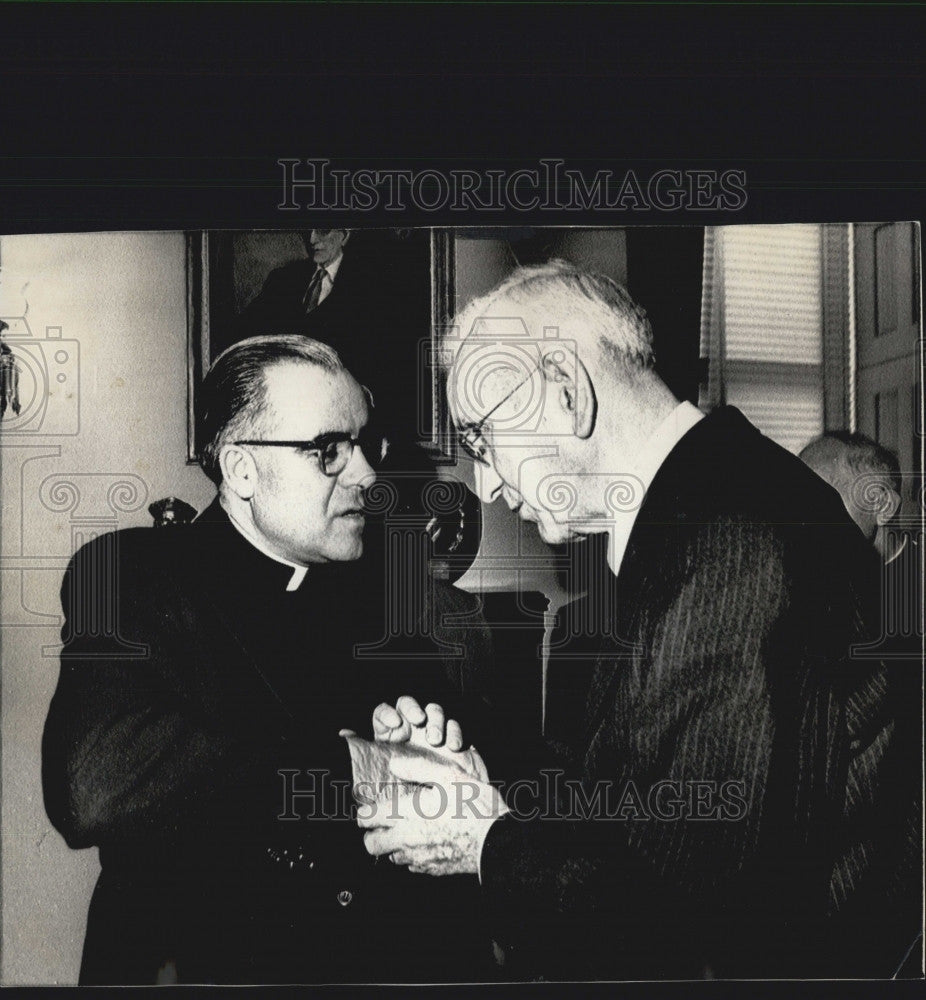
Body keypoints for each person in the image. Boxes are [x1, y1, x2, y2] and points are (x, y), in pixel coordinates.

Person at [360, 262, 922, 980]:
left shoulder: (726, 539)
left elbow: (685, 914)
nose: (488, 483)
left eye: (481, 438)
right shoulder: (710, 503)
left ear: (566, 392)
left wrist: (483, 843)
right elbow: (644, 807)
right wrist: (485, 799)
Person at [42, 335, 492, 984]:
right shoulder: (132, 574)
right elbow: (95, 785)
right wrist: (355, 765)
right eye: (329, 450)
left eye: (368, 446)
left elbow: (446, 777)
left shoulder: (387, 588)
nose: (367, 476)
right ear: (242, 469)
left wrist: (444, 765)